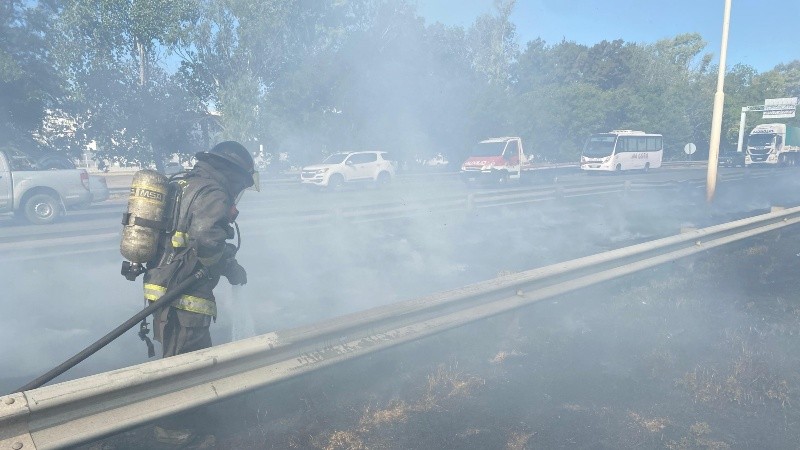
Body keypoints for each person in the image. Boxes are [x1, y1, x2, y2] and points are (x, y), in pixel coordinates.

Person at [142, 140, 257, 446]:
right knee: (183, 362)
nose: (238, 190)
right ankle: (172, 430)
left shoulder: (183, 182)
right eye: (241, 183)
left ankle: (191, 415)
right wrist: (226, 265)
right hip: (183, 294)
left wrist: (224, 259)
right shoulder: (214, 192)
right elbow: (206, 241)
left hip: (163, 284)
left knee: (187, 357)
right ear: (232, 174)